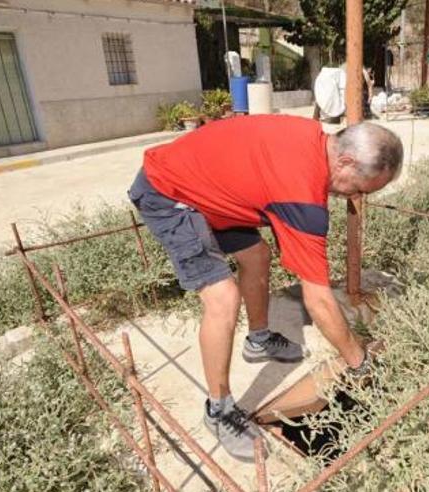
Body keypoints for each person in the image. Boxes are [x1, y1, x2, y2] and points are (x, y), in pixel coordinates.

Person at [128, 115, 403, 462]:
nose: (355, 197)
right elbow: (317, 300)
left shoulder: (313, 138)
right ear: (346, 161)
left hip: (211, 190)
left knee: (257, 255)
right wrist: (358, 360)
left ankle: (258, 340)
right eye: (361, 188)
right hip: (169, 193)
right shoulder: (301, 193)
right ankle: (219, 409)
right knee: (222, 297)